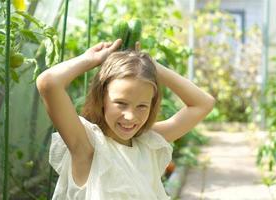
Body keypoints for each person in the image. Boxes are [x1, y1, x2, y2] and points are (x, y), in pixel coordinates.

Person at [36, 39, 215, 199]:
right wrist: (91, 60)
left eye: (142, 106)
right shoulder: (87, 147)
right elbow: (48, 83)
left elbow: (203, 103)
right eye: (121, 103)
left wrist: (152, 66)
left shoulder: (147, 142)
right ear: (102, 99)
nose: (130, 116)